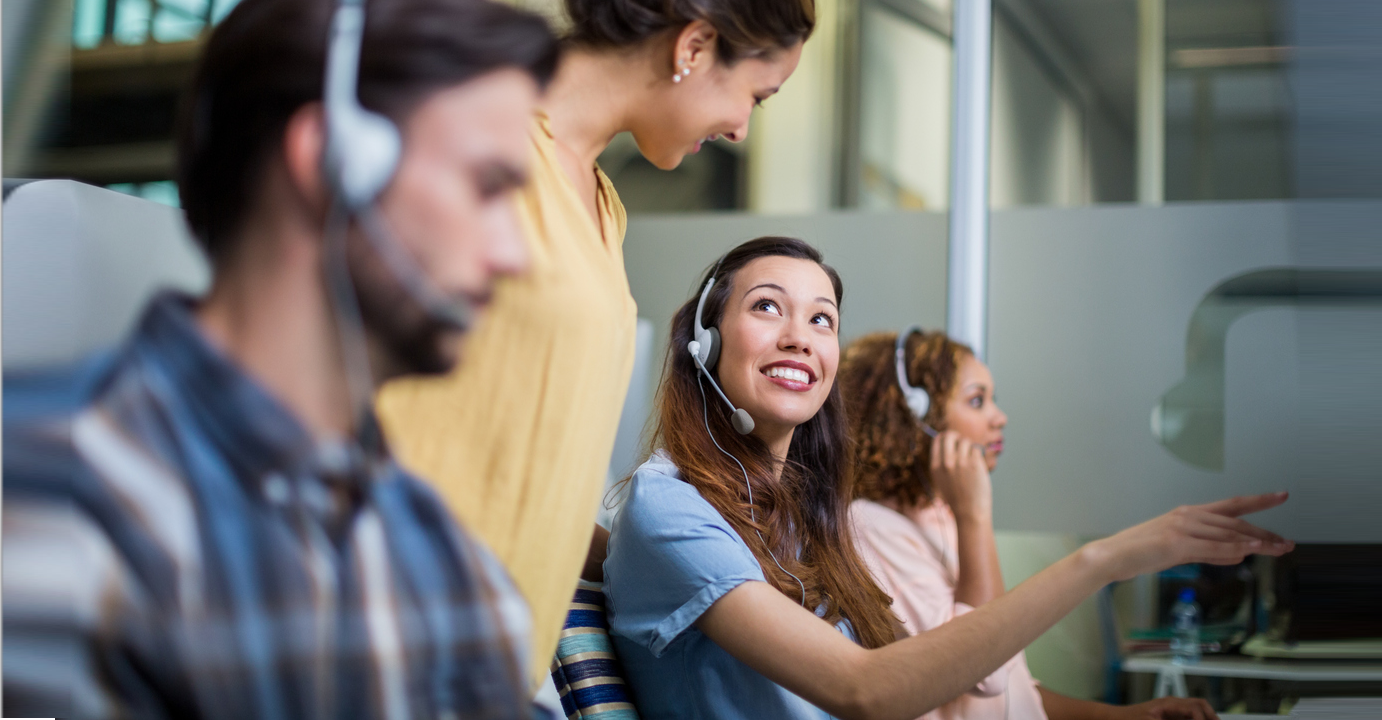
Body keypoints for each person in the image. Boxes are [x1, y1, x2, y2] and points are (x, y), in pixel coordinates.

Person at [2, 0, 558, 717]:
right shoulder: (42, 496)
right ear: (333, 161)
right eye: (487, 187)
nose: (515, 255)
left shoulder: (439, 555)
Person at [601, 236, 1292, 720]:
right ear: (704, 343)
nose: (800, 337)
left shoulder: (797, 518)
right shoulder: (671, 505)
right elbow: (868, 693)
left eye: (821, 319)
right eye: (767, 307)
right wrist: (1105, 560)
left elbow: (945, 676)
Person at [374, 0, 815, 682]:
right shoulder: (481, 141)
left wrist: (653, 559)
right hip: (388, 632)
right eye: (754, 95)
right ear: (693, 46)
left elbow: (520, 463)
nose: (739, 128)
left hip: (490, 666)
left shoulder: (603, 204)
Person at [841, 329, 1219, 720]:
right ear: (913, 418)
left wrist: (1126, 716)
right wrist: (975, 515)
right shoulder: (872, 526)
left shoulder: (943, 518)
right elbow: (985, 672)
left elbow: (1010, 689)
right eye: (976, 401)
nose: (999, 418)